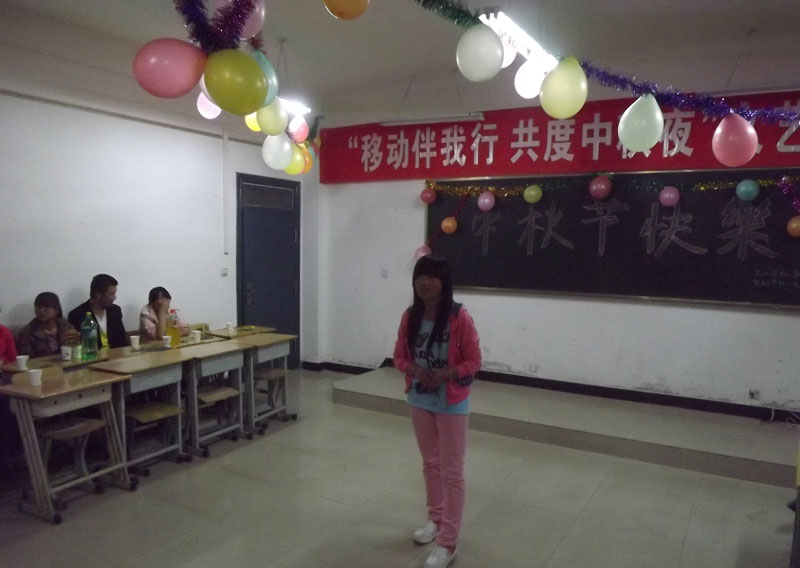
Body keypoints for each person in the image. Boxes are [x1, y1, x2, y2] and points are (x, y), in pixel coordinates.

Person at [393, 255, 481, 568]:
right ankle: (436, 519)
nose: (425, 282)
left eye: (432, 276)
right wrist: (415, 369)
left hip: (451, 402)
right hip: (419, 399)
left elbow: (474, 361)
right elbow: (398, 358)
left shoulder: (460, 317)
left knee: (452, 472)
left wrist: (447, 373)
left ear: (444, 282)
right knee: (430, 463)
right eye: (420, 276)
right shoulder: (410, 316)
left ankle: (448, 542)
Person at [68, 273, 128, 349]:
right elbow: (78, 345)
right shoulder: (77, 315)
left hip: (116, 354)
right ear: (98, 294)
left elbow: (122, 340)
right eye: (112, 294)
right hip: (93, 355)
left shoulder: (115, 311)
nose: (115, 297)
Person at [16, 292, 78, 357]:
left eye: (46, 307)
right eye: (38, 307)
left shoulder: (66, 326)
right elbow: (27, 358)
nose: (41, 310)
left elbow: (76, 349)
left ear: (56, 310)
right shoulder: (27, 333)